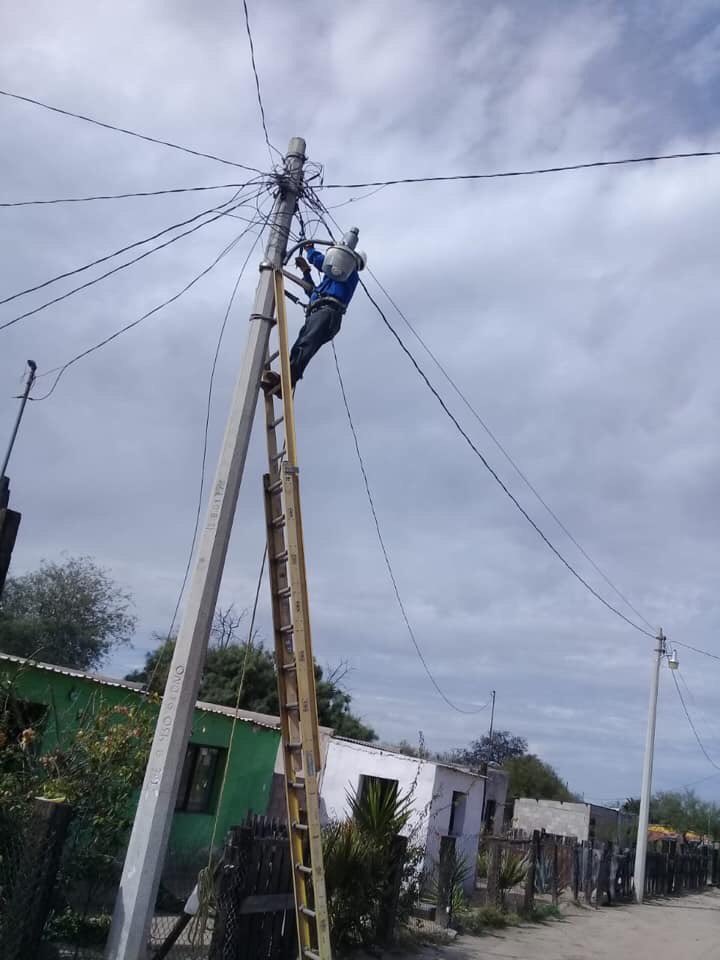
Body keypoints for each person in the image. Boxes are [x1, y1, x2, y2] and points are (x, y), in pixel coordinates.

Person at [262, 242, 366, 393]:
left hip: (328, 313)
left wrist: (310, 250)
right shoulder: (333, 280)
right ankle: (282, 385)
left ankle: (286, 380)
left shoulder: (348, 273)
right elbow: (314, 293)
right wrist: (306, 272)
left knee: (305, 345)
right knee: (301, 346)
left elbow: (322, 262)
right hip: (321, 312)